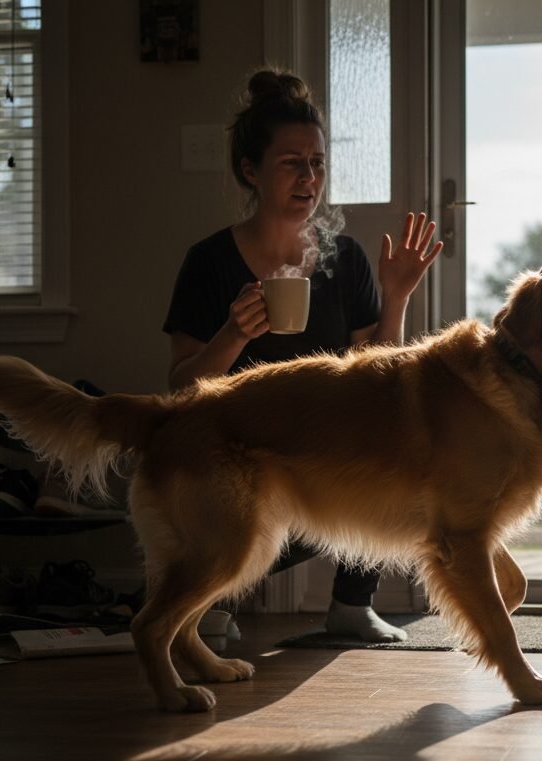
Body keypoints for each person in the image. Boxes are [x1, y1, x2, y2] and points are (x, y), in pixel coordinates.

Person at [162, 67, 442, 643]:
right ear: (251, 171)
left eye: (317, 163)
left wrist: (396, 298)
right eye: (292, 163)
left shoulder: (346, 258)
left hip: (322, 473)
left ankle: (350, 603)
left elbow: (380, 383)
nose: (309, 178)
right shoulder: (210, 263)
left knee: (394, 445)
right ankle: (206, 596)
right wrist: (232, 336)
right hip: (243, 472)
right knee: (216, 579)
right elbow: (179, 393)